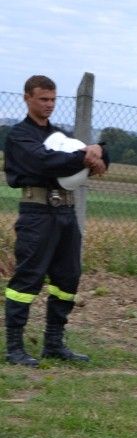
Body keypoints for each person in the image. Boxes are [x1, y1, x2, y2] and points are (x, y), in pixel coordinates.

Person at [5, 75, 108, 367]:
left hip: (66, 212)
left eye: (53, 99)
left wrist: (99, 150)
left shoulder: (61, 136)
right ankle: (14, 347)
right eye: (43, 99)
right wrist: (86, 156)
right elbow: (45, 162)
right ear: (27, 98)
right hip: (37, 214)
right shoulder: (20, 137)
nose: (49, 105)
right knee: (27, 279)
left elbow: (92, 157)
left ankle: (53, 343)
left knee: (68, 277)